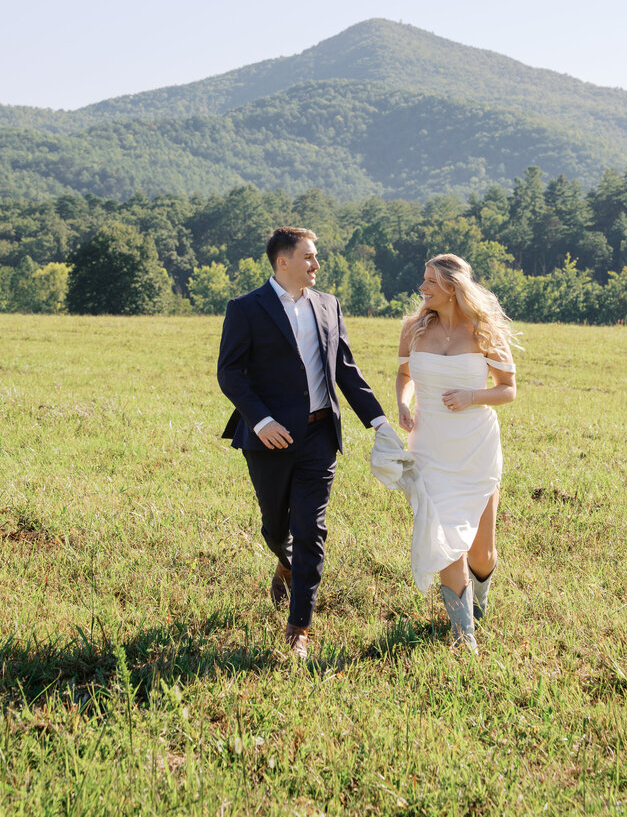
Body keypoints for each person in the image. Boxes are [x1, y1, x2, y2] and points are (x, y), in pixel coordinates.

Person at [217, 226, 389, 660]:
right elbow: (230, 373)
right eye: (309, 257)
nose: (316, 264)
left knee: (311, 529)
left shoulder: (328, 305)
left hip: (319, 436)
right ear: (283, 262)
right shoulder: (246, 309)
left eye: (316, 257)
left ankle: (299, 628)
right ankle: (284, 561)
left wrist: (379, 422)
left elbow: (345, 370)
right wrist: (262, 421)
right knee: (277, 529)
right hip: (269, 439)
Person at [394, 253, 518, 653]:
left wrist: (472, 396)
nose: (422, 287)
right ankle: (465, 637)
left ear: (453, 287)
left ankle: (478, 599)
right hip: (429, 449)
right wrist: (402, 402)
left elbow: (508, 388)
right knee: (443, 536)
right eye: (423, 279)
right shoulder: (414, 329)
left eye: (431, 281)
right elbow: (404, 374)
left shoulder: (484, 331)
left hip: (474, 449)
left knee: (482, 552)